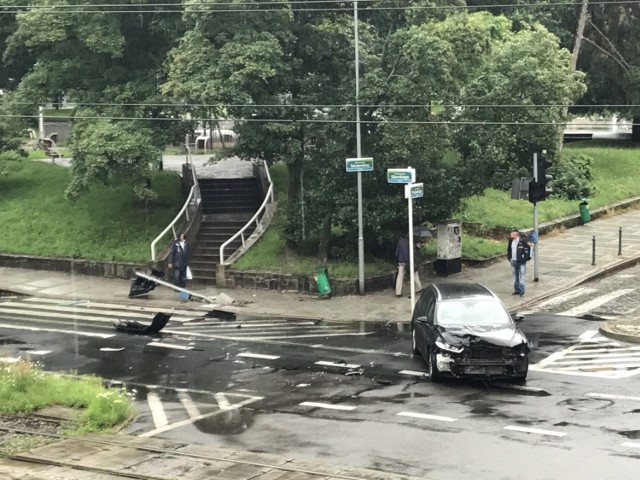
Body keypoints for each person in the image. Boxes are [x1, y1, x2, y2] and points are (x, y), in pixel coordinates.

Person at [507, 228, 531, 297]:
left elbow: (527, 249)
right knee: (515, 277)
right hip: (513, 261)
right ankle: (517, 290)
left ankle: (522, 291)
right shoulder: (511, 241)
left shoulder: (522, 241)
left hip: (521, 262)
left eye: (512, 232)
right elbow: (509, 250)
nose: (510, 234)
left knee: (522, 277)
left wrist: (524, 259)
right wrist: (509, 258)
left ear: (516, 233)